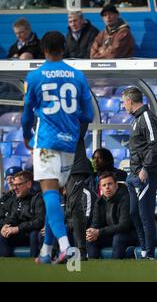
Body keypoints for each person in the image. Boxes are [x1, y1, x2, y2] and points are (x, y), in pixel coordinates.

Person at [21, 30, 94, 264]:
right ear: (64, 48)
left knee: (49, 193)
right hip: (69, 144)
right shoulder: (78, 75)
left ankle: (66, 247)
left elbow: (25, 116)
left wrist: (26, 137)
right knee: (56, 195)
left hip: (46, 141)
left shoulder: (34, 77)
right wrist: (72, 132)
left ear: (43, 50)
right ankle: (46, 251)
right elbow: (88, 114)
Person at [121, 87, 157, 260]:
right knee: (133, 213)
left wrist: (145, 168)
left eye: (124, 102)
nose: (123, 106)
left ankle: (149, 253)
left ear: (130, 101)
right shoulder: (136, 119)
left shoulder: (146, 117)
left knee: (145, 214)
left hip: (145, 173)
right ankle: (144, 248)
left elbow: (155, 144)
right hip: (134, 173)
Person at [64, 122, 96, 261]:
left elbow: (76, 133)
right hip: (58, 165)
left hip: (75, 167)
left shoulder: (75, 111)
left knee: (74, 206)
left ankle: (81, 251)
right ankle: (56, 250)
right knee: (56, 204)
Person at [86, 171, 136, 259]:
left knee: (118, 237)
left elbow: (124, 225)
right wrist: (92, 232)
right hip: (111, 234)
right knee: (91, 240)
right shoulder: (99, 202)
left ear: (116, 185)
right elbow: (95, 224)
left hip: (130, 234)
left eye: (110, 184)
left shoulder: (126, 198)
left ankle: (115, 267)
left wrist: (99, 232)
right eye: (104, 185)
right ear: (100, 188)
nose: (107, 188)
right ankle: (93, 268)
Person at [0, 171, 45, 257]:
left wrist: (18, 228)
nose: (15, 188)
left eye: (18, 185)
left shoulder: (38, 197)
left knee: (34, 234)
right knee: (3, 235)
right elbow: (13, 217)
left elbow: (39, 221)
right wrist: (5, 226)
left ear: (28, 184)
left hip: (31, 233)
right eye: (14, 185)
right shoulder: (17, 198)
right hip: (21, 233)